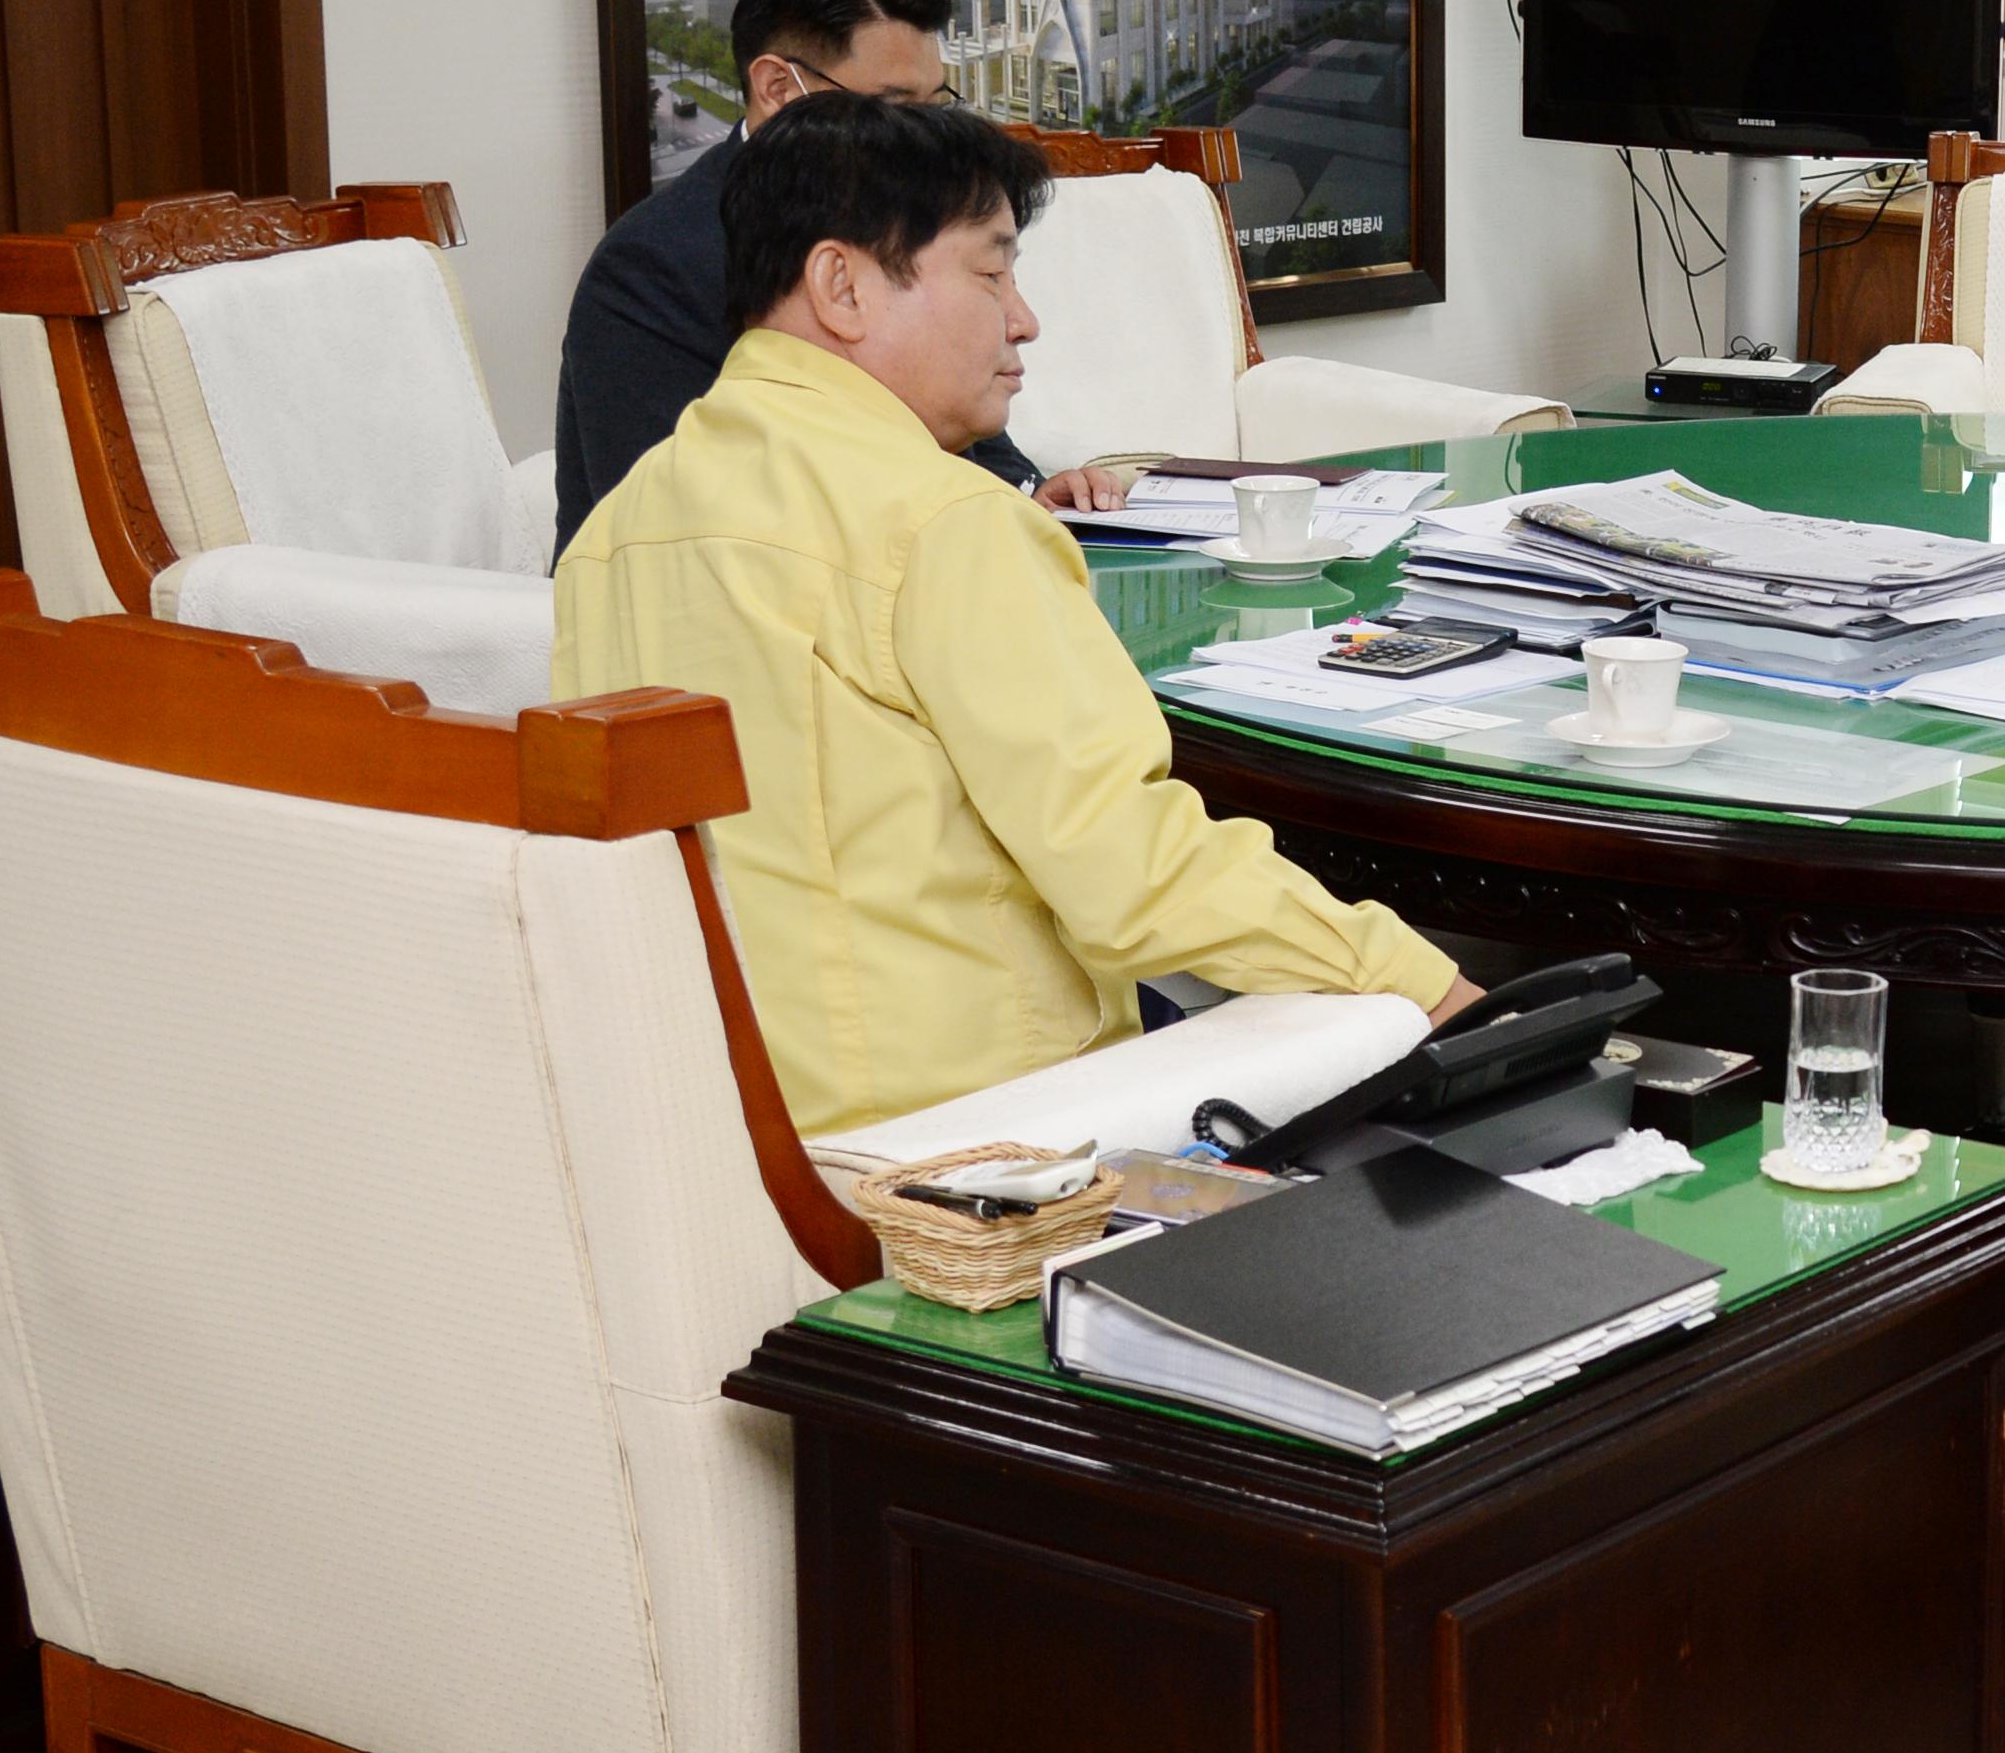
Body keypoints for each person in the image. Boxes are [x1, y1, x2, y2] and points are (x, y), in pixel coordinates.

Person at [554, 94, 1470, 1134]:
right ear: (840, 285)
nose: (1023, 318)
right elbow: (1134, 875)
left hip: (717, 1131)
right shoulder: (944, 524)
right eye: (989, 272)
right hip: (979, 1140)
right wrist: (1426, 985)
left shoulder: (615, 530)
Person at [550, 0, 1114, 553]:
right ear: (779, 88)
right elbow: (673, 533)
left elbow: (944, 405)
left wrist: (1027, 497)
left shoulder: (904, 218)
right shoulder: (654, 264)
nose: (921, 139)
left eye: (935, 107)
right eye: (893, 109)